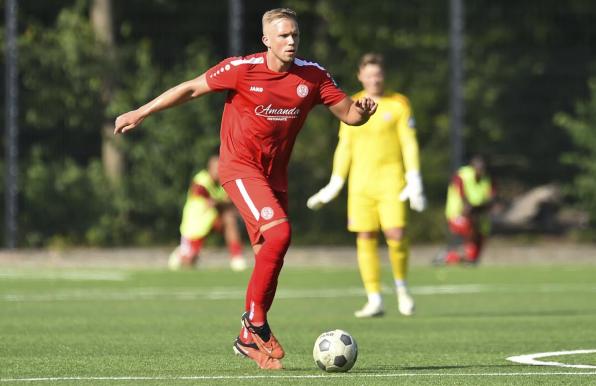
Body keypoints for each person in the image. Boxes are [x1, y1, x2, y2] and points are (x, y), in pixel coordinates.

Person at [113, 8, 377, 370]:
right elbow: (190, 88)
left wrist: (364, 111)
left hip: (274, 177)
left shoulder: (312, 75)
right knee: (280, 232)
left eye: (295, 35)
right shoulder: (241, 69)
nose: (290, 41)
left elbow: (349, 114)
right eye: (282, 35)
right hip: (239, 168)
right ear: (266, 40)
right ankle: (254, 324)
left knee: (270, 253)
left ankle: (245, 339)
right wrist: (141, 112)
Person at [307, 53, 426, 318]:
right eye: (369, 75)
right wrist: (335, 182)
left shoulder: (398, 104)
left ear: (384, 75)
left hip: (391, 181)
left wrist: (414, 178)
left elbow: (408, 142)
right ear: (360, 76)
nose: (375, 79)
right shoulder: (353, 104)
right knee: (365, 237)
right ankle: (374, 298)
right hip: (361, 184)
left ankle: (402, 288)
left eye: (378, 74)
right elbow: (345, 147)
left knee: (396, 235)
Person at [168, 154, 248, 272]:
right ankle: (181, 253)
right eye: (216, 168)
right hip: (197, 223)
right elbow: (200, 192)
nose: (218, 171)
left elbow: (227, 202)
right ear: (209, 168)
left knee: (229, 219)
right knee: (189, 262)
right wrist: (221, 202)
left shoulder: (224, 181)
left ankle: (236, 257)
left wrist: (221, 203)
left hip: (214, 219)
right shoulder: (201, 179)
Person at [436, 155, 495, 265]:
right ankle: (451, 254)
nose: (480, 171)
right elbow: (464, 201)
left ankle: (454, 256)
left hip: (476, 216)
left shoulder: (486, 179)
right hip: (457, 215)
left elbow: (490, 198)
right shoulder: (462, 176)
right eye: (478, 168)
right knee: (470, 229)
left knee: (480, 238)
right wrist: (470, 207)